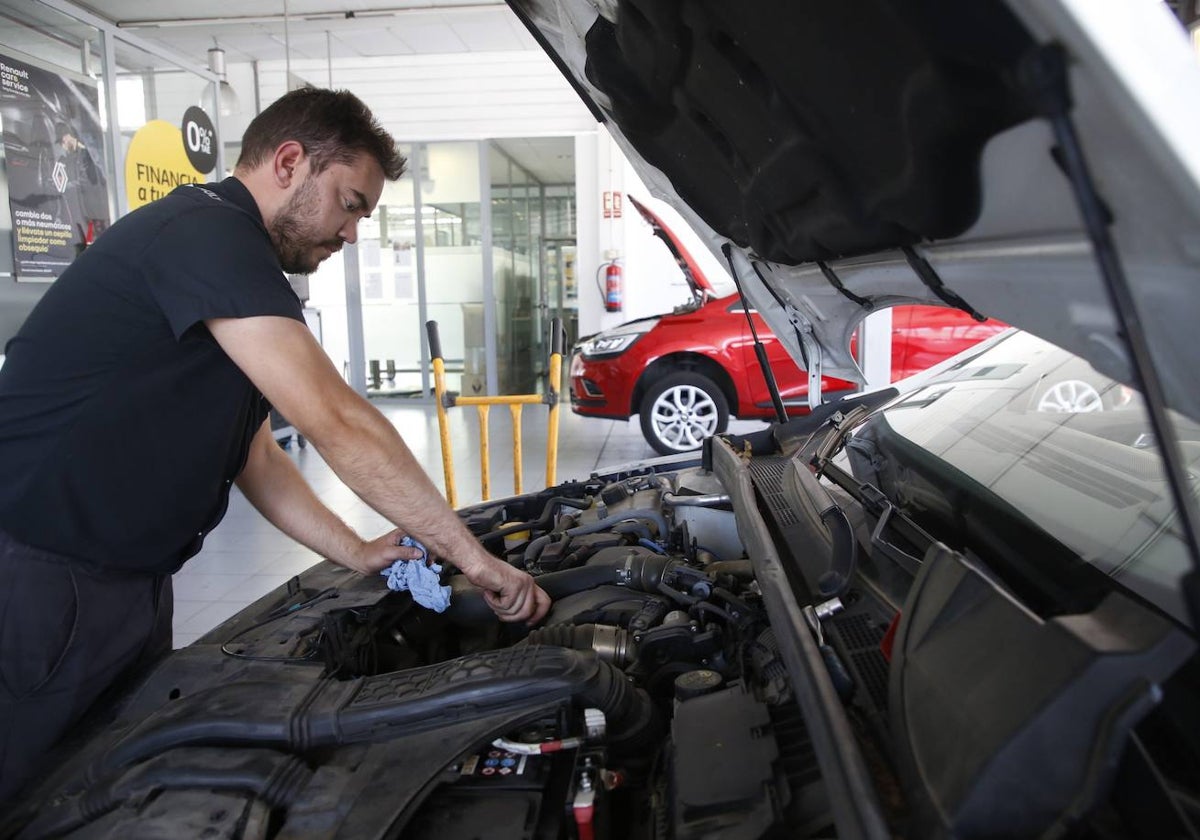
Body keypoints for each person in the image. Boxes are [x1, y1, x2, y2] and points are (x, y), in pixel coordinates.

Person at [0, 87, 551, 802]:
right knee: (35, 793)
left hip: (127, 580)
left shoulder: (226, 258)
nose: (353, 233)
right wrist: (473, 560)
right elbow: (335, 419)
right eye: (351, 203)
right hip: (45, 579)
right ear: (289, 162)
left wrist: (356, 552)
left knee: (109, 786)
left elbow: (256, 455)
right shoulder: (206, 236)